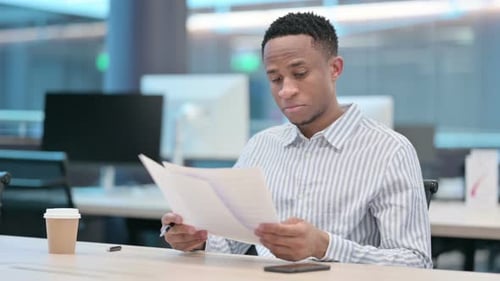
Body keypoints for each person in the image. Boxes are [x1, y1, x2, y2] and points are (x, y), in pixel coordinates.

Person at [161, 12, 432, 268]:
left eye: (299, 74)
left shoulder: (390, 150)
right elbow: (232, 243)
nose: (286, 90)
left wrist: (325, 246)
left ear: (335, 69)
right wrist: (198, 239)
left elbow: (416, 262)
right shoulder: (262, 146)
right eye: (275, 78)